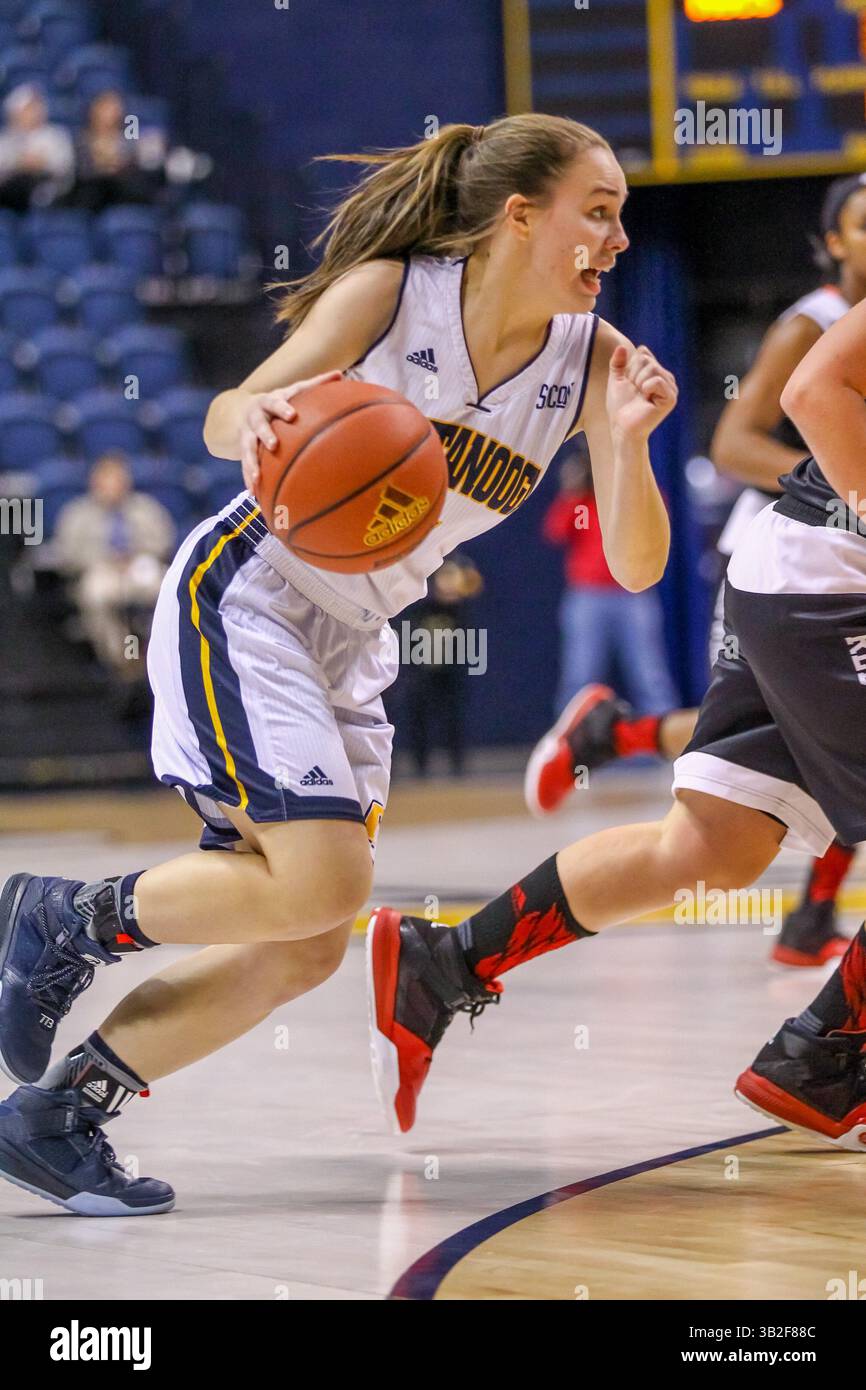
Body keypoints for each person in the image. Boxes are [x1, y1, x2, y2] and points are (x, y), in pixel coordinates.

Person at [0, 114, 676, 1214]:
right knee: (329, 883)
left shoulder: (591, 360)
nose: (615, 237)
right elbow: (230, 416)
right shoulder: (391, 293)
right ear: (519, 215)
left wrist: (633, 442)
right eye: (595, 211)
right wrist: (257, 414)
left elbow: (639, 565)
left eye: (621, 217)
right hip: (252, 593)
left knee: (306, 942)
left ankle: (62, 1112)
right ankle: (65, 919)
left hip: (355, 641)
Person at [366, 291, 866, 1146]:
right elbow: (812, 391)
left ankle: (446, 962)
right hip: (832, 580)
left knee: (714, 847)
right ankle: (822, 1056)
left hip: (797, 578)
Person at [524, 172, 866, 968]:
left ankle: (809, 924)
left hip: (837, 559)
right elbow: (734, 444)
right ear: (836, 244)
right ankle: (617, 731)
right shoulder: (811, 324)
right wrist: (845, 483)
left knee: (808, 738)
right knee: (808, 728)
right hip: (794, 556)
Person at [541, 448, 677, 724]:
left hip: (633, 595)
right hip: (588, 596)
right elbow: (554, 533)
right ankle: (569, 746)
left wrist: (635, 485)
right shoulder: (582, 502)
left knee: (649, 675)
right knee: (581, 675)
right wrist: (571, 491)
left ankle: (664, 746)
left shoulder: (636, 494)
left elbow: (661, 526)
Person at [54, 453, 175, 680]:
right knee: (96, 594)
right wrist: (105, 559)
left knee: (169, 588)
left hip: (139, 566)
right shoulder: (78, 513)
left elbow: (164, 541)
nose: (113, 487)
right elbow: (68, 554)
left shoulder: (145, 508)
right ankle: (123, 658)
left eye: (117, 480)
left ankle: (161, 650)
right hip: (101, 568)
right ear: (95, 483)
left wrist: (138, 554)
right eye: (106, 481)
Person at [401, 553, 483, 777]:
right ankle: (420, 768)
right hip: (421, 670)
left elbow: (473, 589)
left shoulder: (458, 609)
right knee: (419, 718)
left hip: (450, 670)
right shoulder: (420, 603)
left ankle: (457, 767)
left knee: (453, 718)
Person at [66, 90, 165, 214]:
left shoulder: (129, 139)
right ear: (94, 110)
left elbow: (137, 166)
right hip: (92, 195)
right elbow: (82, 169)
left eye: (115, 107)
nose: (112, 112)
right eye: (106, 107)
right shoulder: (81, 140)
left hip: (123, 193)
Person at [0, 84, 73, 211]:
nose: (32, 113)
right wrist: (19, 163)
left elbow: (66, 165)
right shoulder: (5, 138)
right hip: (12, 192)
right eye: (27, 109)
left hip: (50, 188)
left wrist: (43, 163)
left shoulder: (56, 134)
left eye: (35, 107)